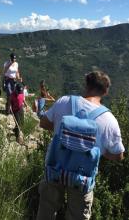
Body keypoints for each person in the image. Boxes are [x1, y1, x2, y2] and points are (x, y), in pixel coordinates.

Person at [37, 71, 125, 220]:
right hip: (82, 178)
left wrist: (64, 132)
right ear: (105, 91)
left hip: (55, 168)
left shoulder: (64, 101)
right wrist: (99, 149)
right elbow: (118, 155)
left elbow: (43, 123)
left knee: (47, 209)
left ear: (86, 84)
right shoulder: (110, 120)